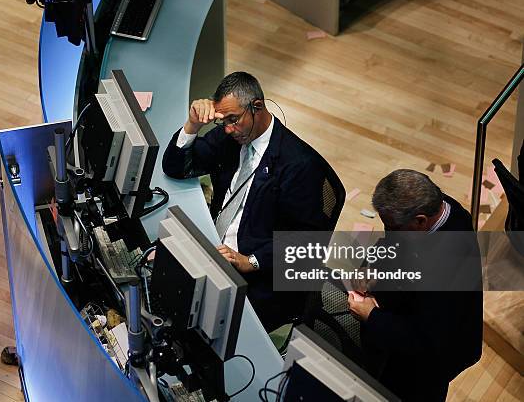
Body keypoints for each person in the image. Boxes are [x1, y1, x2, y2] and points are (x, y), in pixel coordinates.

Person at [162, 72, 343, 331]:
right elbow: (175, 168)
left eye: (233, 120)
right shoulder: (231, 135)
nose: (227, 129)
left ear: (257, 107)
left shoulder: (299, 165)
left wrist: (250, 261)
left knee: (197, 323)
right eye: (222, 121)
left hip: (256, 276)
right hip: (214, 248)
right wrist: (192, 125)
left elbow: (308, 241)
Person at [348, 169, 483, 402]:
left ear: (420, 221)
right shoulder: (438, 206)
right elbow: (391, 243)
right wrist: (371, 267)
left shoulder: (450, 263)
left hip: (429, 360)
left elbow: (426, 341)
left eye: (391, 226)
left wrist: (371, 316)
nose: (388, 231)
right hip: (406, 319)